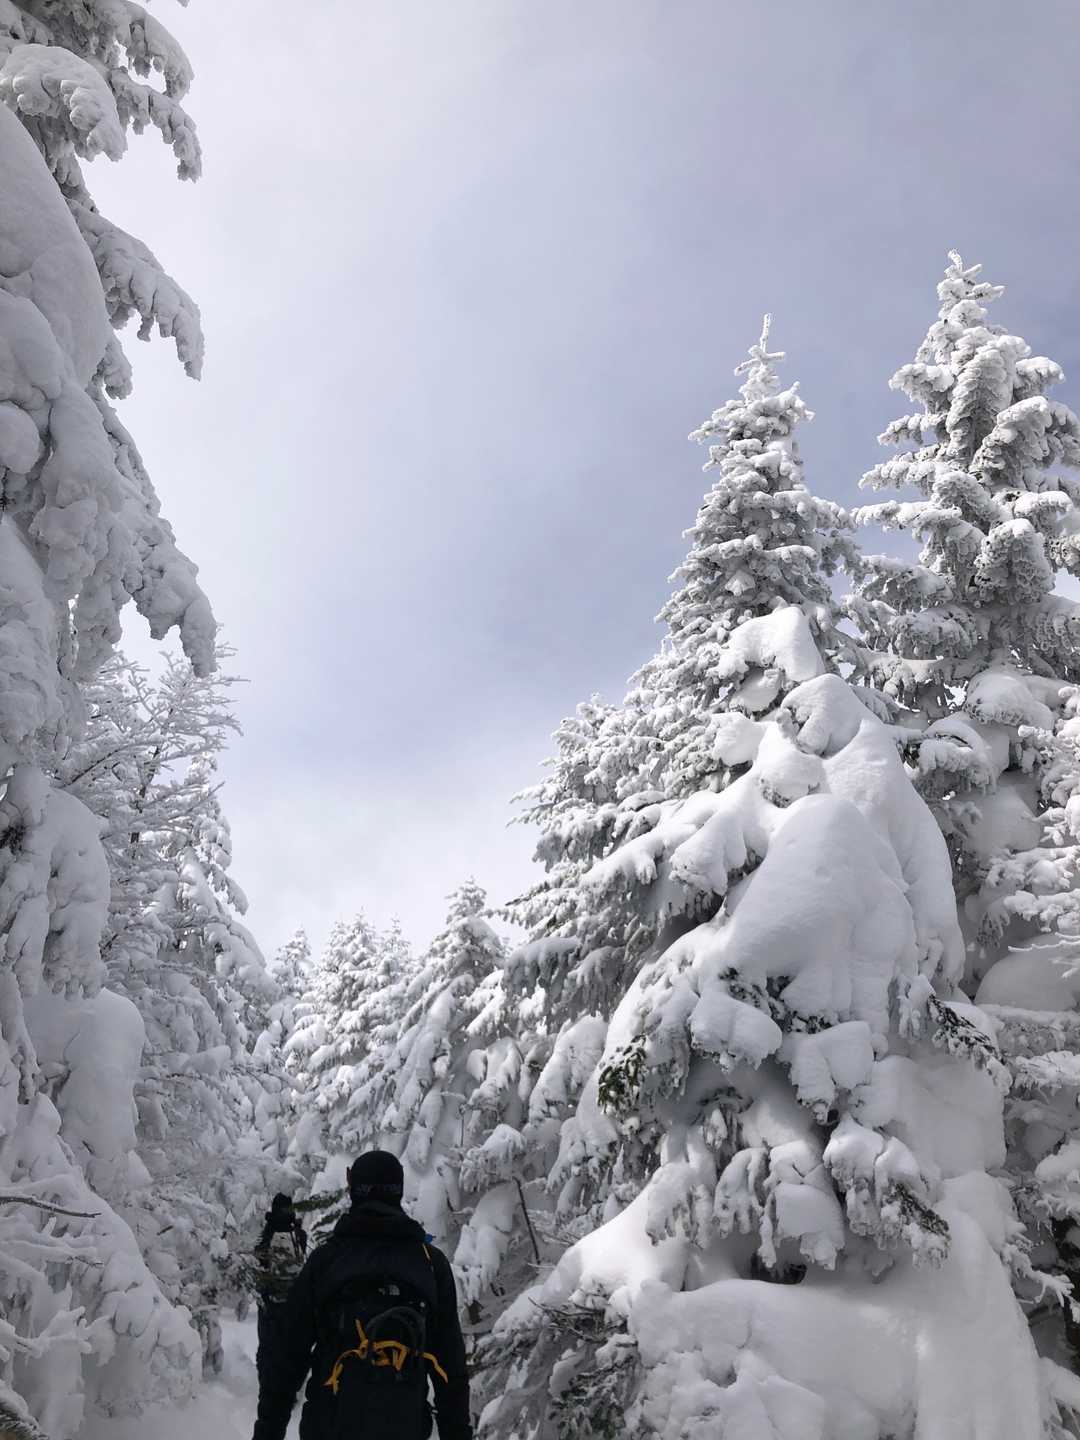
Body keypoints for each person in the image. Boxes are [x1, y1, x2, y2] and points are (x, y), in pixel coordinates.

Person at [252, 1150, 472, 1440]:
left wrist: (268, 1431)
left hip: (329, 1429)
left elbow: (287, 1358)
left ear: (352, 1185)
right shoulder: (430, 1263)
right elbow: (450, 1370)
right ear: (399, 1190)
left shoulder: (327, 1260)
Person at [253, 1192, 308, 1375]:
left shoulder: (267, 1235)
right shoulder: (299, 1235)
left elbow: (258, 1265)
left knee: (268, 1347)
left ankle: (267, 1379)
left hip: (270, 1303)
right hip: (294, 1303)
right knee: (292, 1347)